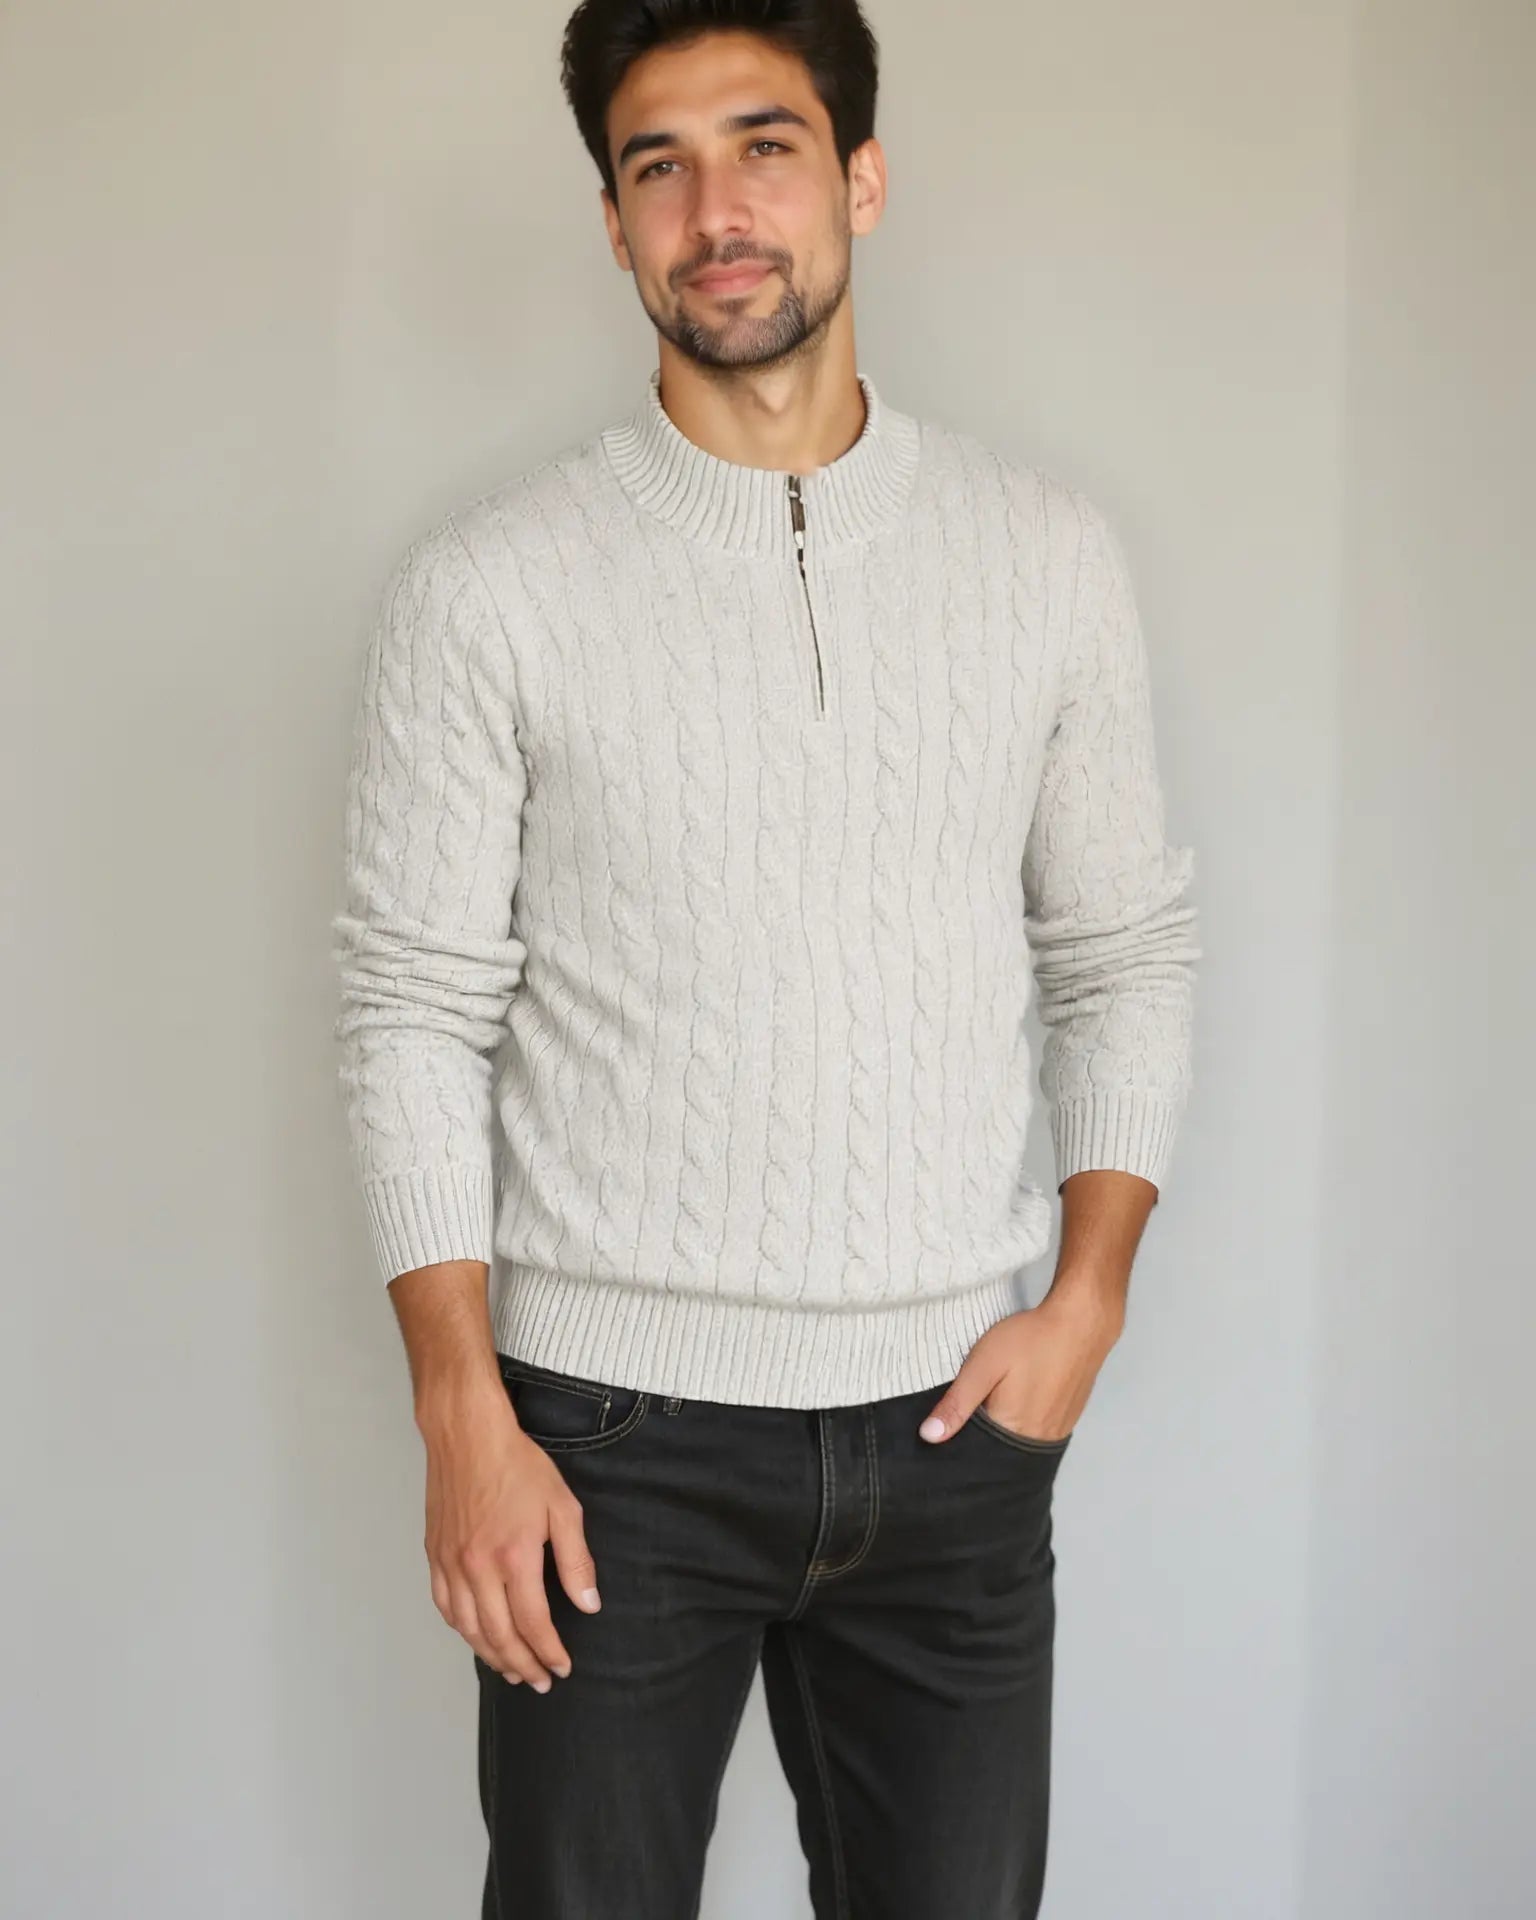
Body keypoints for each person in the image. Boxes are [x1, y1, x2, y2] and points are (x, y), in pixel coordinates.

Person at [330, 2, 1200, 1913]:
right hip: (605, 1449)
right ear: (614, 224)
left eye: (766, 146)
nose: (716, 210)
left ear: (861, 179)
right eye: (659, 166)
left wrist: (1089, 1302)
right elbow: (411, 1015)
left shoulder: (1046, 558)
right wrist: (461, 1413)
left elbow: (1120, 951)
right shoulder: (489, 589)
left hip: (956, 1432)